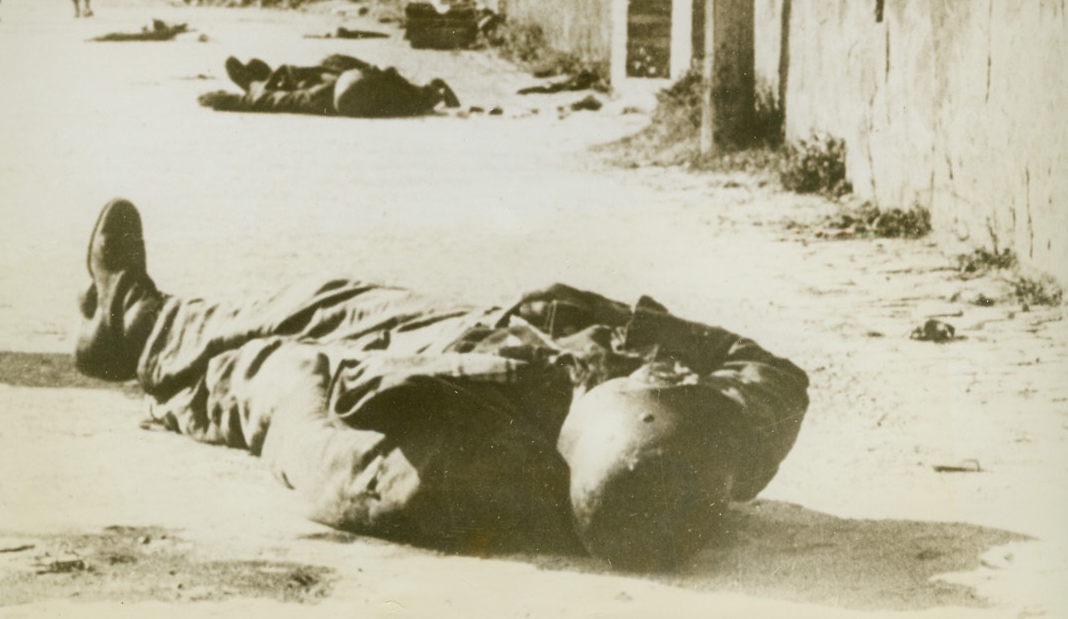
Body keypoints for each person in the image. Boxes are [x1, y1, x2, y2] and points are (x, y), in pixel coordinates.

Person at [74, 199, 810, 569]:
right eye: (652, 381)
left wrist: (303, 379)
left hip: (407, 387)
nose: (642, 372)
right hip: (484, 337)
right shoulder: (720, 433)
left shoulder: (454, 480)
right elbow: (771, 369)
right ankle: (134, 315)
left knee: (262, 360)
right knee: (336, 295)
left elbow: (321, 456)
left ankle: (135, 316)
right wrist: (625, 333)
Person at [199, 53, 461, 117]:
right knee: (326, 71)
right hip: (350, 84)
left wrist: (228, 102)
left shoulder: (285, 93)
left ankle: (257, 84)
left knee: (318, 92)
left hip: (344, 89)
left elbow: (278, 101)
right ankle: (264, 79)